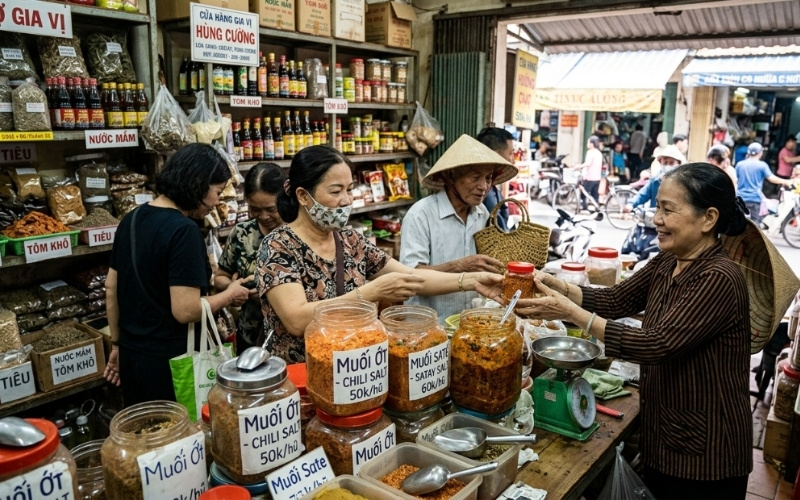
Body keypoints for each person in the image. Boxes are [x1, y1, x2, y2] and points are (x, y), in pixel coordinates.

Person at [516, 163, 753, 499]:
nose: (656, 218)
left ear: (708, 218)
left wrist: (571, 313)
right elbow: (615, 300)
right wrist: (561, 287)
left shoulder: (719, 278)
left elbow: (656, 344)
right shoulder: (668, 261)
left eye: (668, 209)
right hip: (669, 434)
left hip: (707, 451)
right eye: (657, 207)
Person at [256, 145, 504, 362]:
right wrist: (371, 292)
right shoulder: (278, 247)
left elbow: (412, 277)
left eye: (349, 190)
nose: (345, 201)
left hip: (358, 367)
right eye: (335, 191)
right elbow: (297, 320)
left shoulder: (350, 240)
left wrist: (473, 280)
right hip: (306, 376)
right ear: (303, 196)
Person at [104, 144, 250, 405]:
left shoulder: (132, 220)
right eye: (216, 191)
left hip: (132, 356)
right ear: (197, 184)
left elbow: (111, 288)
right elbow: (186, 311)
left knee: (147, 438)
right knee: (179, 438)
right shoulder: (184, 230)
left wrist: (116, 345)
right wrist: (229, 295)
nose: (217, 201)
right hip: (173, 364)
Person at [400, 134, 516, 322]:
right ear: (451, 176)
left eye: (488, 178)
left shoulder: (482, 213)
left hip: (469, 323)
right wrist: (460, 267)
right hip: (428, 326)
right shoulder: (420, 215)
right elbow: (410, 277)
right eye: (475, 177)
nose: (483, 186)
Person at [214, 163, 286, 354]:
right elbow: (220, 276)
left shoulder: (300, 232)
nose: (263, 216)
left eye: (271, 209)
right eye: (255, 209)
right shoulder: (241, 233)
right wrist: (233, 288)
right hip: (251, 335)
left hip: (291, 336)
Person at [734, 142, 794, 226]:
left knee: (739, 223)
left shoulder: (740, 164)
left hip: (740, 198)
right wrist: (785, 181)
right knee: (754, 225)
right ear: (760, 153)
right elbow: (771, 178)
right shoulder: (762, 165)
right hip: (755, 199)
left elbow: (735, 180)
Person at [625, 145, 685, 211]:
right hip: (655, 217)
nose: (668, 165)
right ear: (660, 162)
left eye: (671, 163)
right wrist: (630, 204)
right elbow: (643, 194)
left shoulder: (682, 183)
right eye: (665, 162)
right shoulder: (655, 180)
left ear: (678, 164)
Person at [477, 127, 514, 231]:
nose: (512, 160)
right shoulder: (484, 191)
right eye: (510, 153)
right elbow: (500, 229)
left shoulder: (492, 186)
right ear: (495, 154)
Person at [572, 135, 603, 211]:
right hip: (597, 177)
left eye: (588, 143)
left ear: (592, 144)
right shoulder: (599, 153)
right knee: (595, 194)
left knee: (584, 193)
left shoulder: (590, 152)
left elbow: (588, 163)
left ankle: (584, 206)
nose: (587, 144)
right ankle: (597, 208)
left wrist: (578, 166)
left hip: (589, 177)